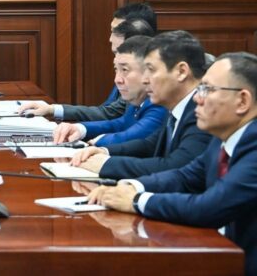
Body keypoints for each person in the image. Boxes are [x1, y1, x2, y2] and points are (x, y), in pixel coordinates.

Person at [88, 52, 257, 274]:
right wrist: (132, 186)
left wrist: (137, 200)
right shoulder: (223, 138)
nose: (197, 98)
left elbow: (210, 207)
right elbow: (185, 176)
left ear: (242, 101)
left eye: (207, 89)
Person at [71, 30, 212, 179]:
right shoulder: (177, 107)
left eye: (151, 70)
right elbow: (150, 144)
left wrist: (106, 164)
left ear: (181, 72)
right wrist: (105, 152)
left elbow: (174, 167)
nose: (145, 80)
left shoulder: (202, 112)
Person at [18, 2, 157, 122]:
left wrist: (75, 127)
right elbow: (108, 111)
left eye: (115, 32)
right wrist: (54, 110)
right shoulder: (125, 66)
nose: (110, 39)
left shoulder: (149, 80)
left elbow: (112, 116)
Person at [52, 36, 166, 146]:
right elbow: (121, 124)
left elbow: (135, 136)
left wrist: (98, 142)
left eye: (125, 70)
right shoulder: (138, 99)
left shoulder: (160, 103)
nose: (117, 80)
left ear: (148, 71)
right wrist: (79, 128)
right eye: (116, 70)